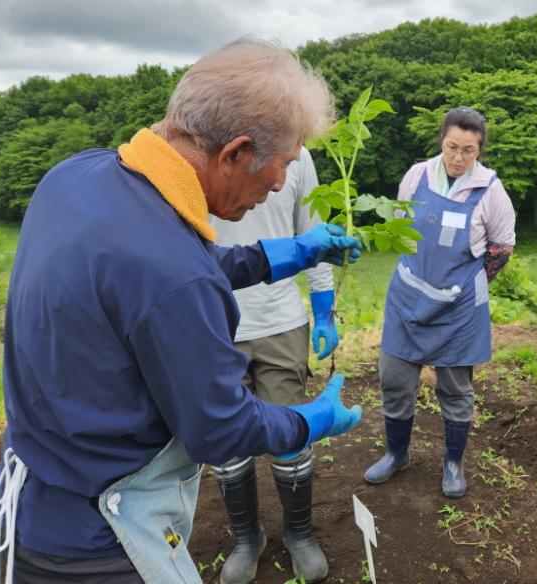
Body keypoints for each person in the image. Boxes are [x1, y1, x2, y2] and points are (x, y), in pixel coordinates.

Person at [0, 39, 364, 584]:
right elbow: (221, 428)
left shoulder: (77, 176)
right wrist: (312, 421)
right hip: (103, 542)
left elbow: (167, 268)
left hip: (36, 498)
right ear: (234, 153)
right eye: (280, 166)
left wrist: (292, 252)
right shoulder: (172, 273)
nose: (282, 183)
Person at [363, 107, 516, 498]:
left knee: (455, 389)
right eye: (452, 147)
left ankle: (453, 462)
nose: (458, 158)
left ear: (480, 149)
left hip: (459, 307)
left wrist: (465, 284)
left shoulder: (490, 190)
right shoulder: (417, 175)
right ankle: (396, 453)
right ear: (441, 142)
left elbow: (501, 246)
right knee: (395, 381)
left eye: (469, 150)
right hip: (409, 296)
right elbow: (401, 225)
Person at [207, 148, 336, 583]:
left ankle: (298, 533)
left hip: (280, 320)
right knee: (226, 442)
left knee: (290, 432)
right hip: (214, 321)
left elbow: (313, 231)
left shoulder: (298, 158)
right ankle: (248, 537)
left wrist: (323, 311)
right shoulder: (202, 153)